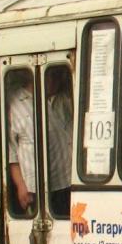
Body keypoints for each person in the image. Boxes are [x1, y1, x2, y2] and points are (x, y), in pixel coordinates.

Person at [7, 70, 37, 214]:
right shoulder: (15, 103)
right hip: (33, 188)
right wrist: (20, 184)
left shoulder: (63, 99)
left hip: (66, 180)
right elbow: (11, 151)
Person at [46, 66, 74, 217]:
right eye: (52, 77)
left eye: (57, 77)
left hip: (71, 173)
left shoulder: (65, 99)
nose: (55, 81)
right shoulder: (29, 104)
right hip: (53, 177)